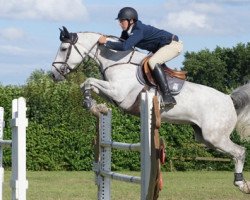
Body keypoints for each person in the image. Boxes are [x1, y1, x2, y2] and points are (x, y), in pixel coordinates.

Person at [98, 7, 183, 106]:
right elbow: (119, 44)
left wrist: (106, 42)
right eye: (119, 21)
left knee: (153, 62)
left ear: (131, 20)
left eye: (122, 21)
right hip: (160, 48)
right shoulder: (126, 32)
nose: (120, 24)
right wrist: (104, 43)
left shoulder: (139, 29)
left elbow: (125, 46)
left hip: (173, 44)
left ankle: (168, 96)